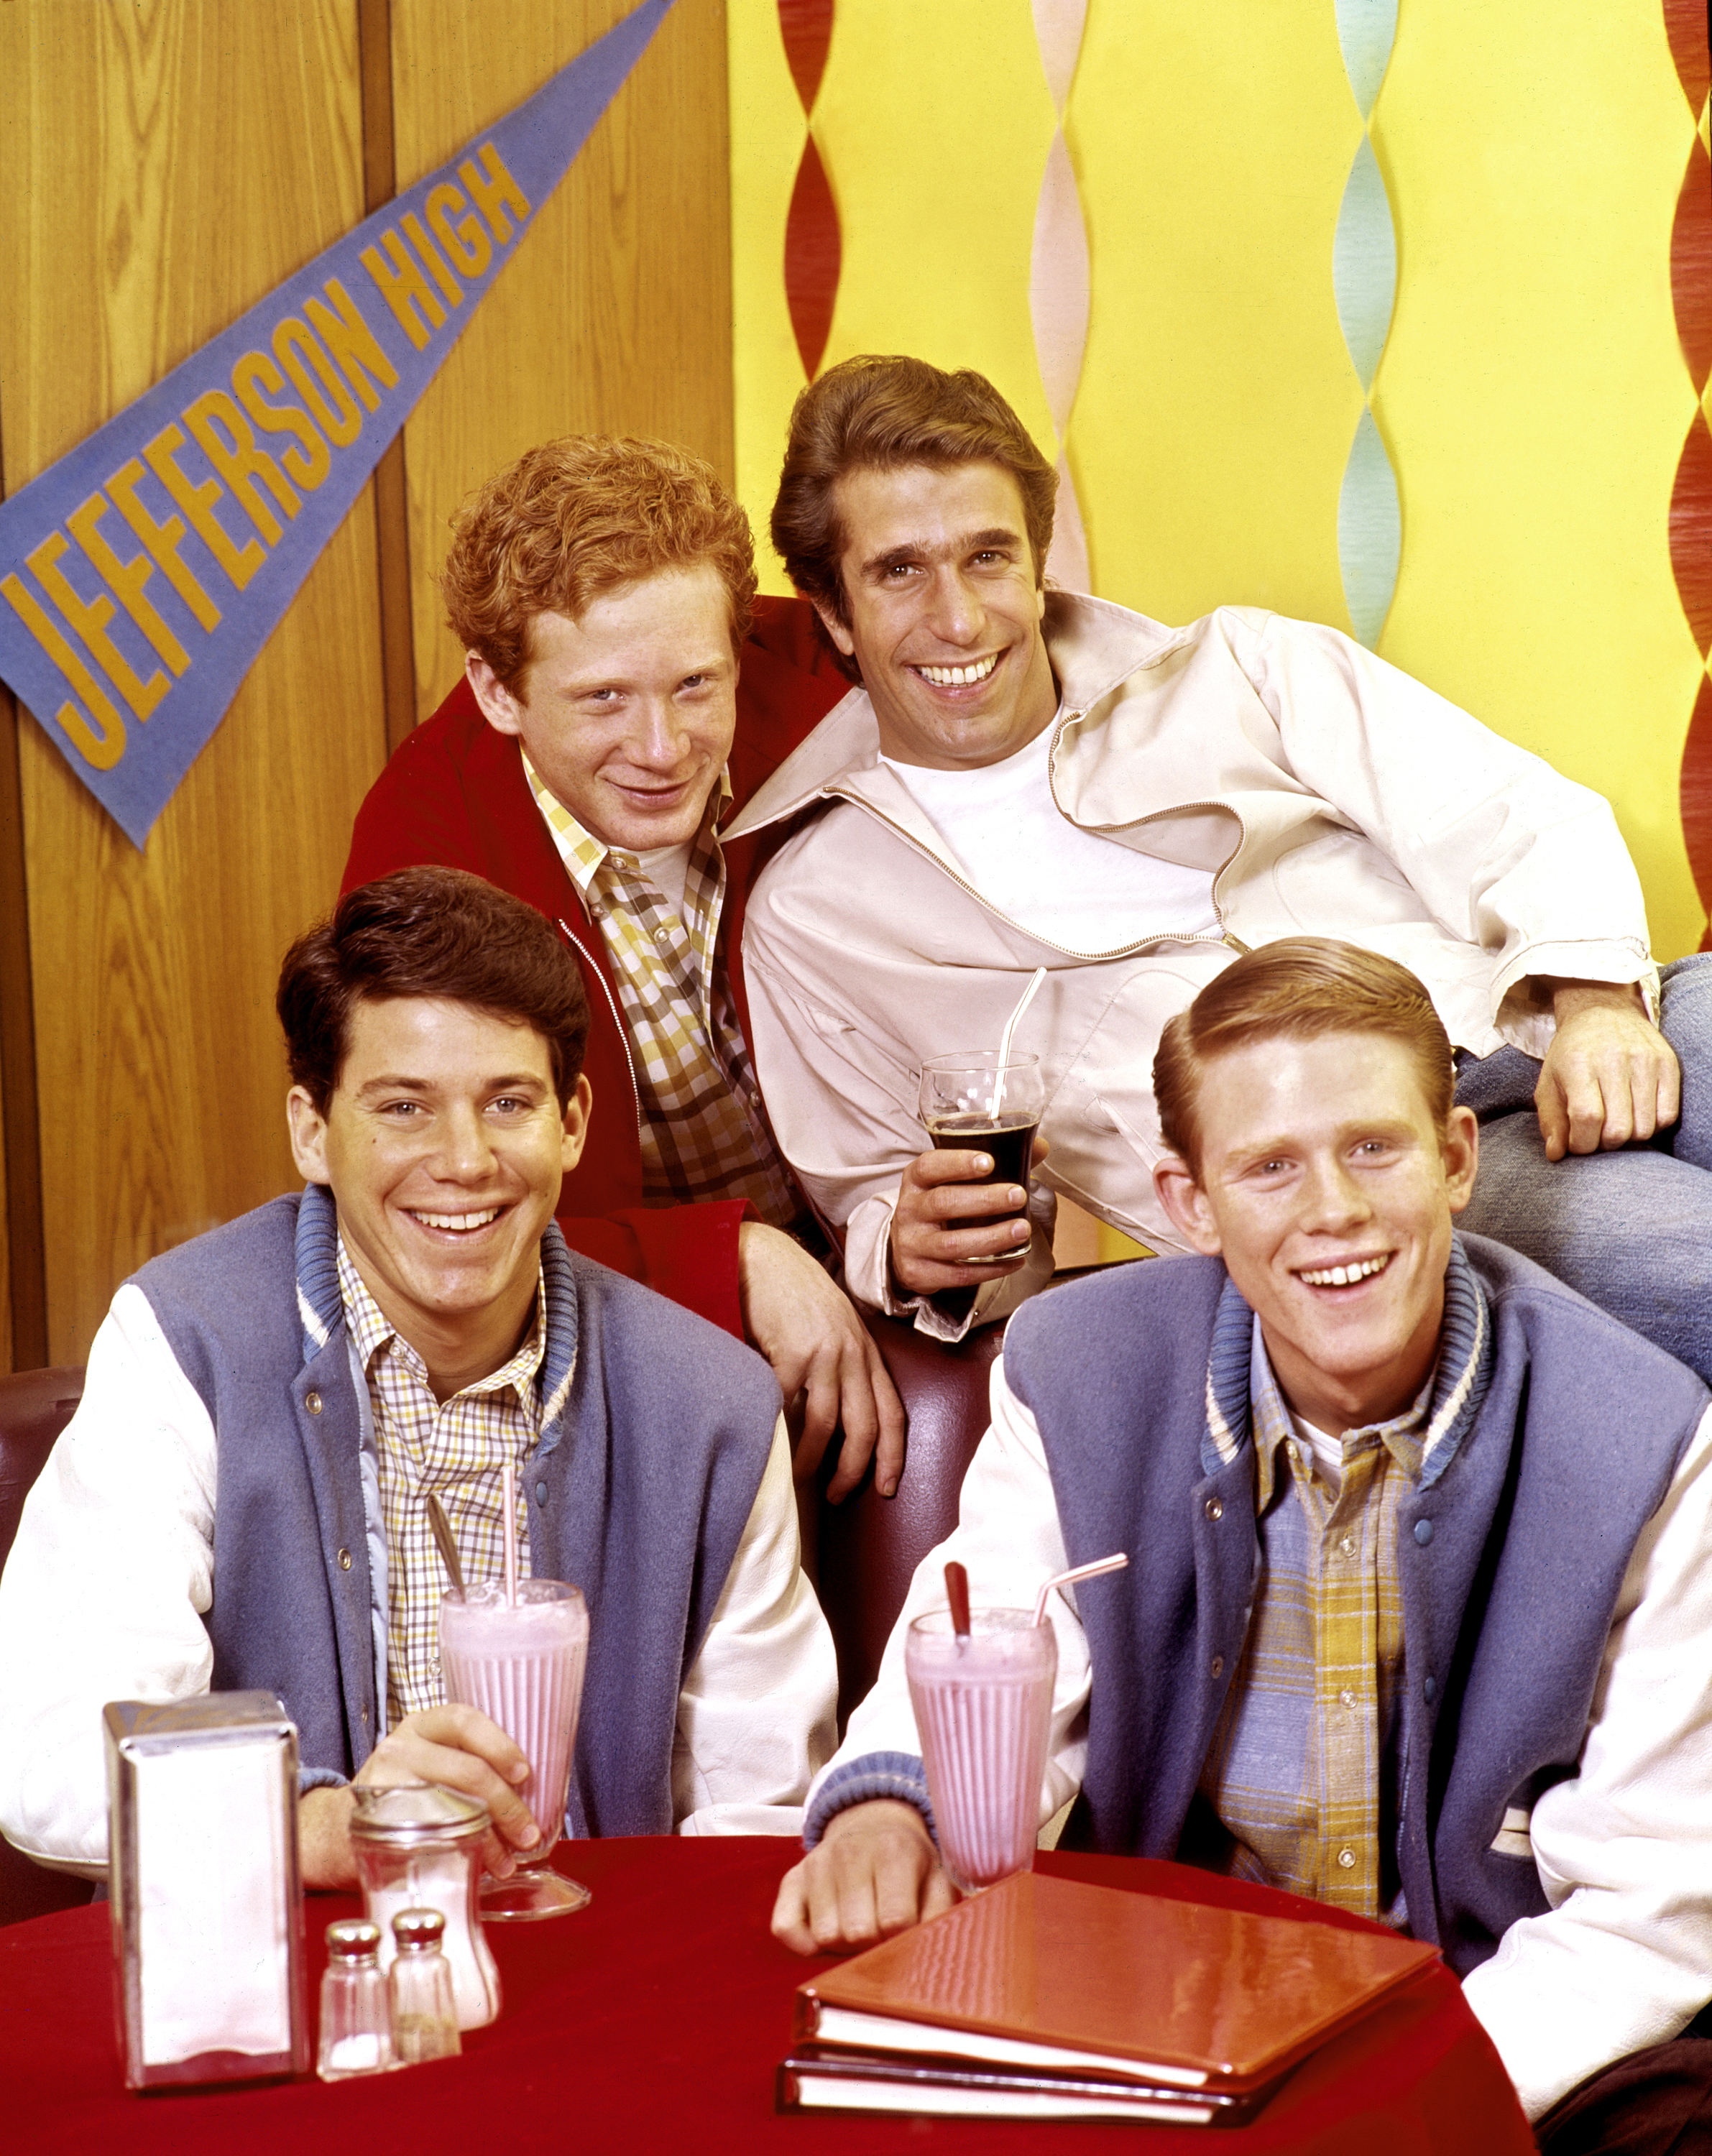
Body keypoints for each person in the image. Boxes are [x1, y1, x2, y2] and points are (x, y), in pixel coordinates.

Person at [773, 940, 1712, 2142]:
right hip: (1170, 2002)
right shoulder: (1076, 1372)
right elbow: (987, 1635)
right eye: (1269, 1167)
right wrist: (887, 1809)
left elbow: (1642, 1909)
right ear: (1191, 1207)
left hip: (1496, 2006)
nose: (1333, 1209)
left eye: (1373, 1146)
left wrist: (1402, 2108)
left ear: (1457, 1160)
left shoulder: (1647, 1433)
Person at [732, 353, 1712, 1396]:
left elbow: (1501, 809)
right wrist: (913, 1246)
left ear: (1035, 561)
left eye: (986, 558)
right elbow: (876, 1194)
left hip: (1526, 1019)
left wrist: (1599, 1002)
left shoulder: (1239, 667)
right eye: (898, 572)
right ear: (833, 614)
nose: (960, 619)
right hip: (1356, 1177)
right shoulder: (811, 914)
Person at [0, 867, 837, 1889]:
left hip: (596, 1973)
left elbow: (755, 1816)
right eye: (403, 1107)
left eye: (509, 1103)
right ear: (313, 1130)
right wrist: (323, 1824)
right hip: (295, 1982)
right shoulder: (184, 1341)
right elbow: (53, 1751)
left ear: (571, 1121)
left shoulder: (710, 1404)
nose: (464, 1160)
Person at [344, 436, 901, 1501]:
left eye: (696, 684)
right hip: (627, 1323)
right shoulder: (423, 846)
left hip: (891, 1250)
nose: (662, 747)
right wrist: (731, 1259)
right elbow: (433, 1197)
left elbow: (1039, 671)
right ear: (499, 693)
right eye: (603, 700)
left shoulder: (830, 675)